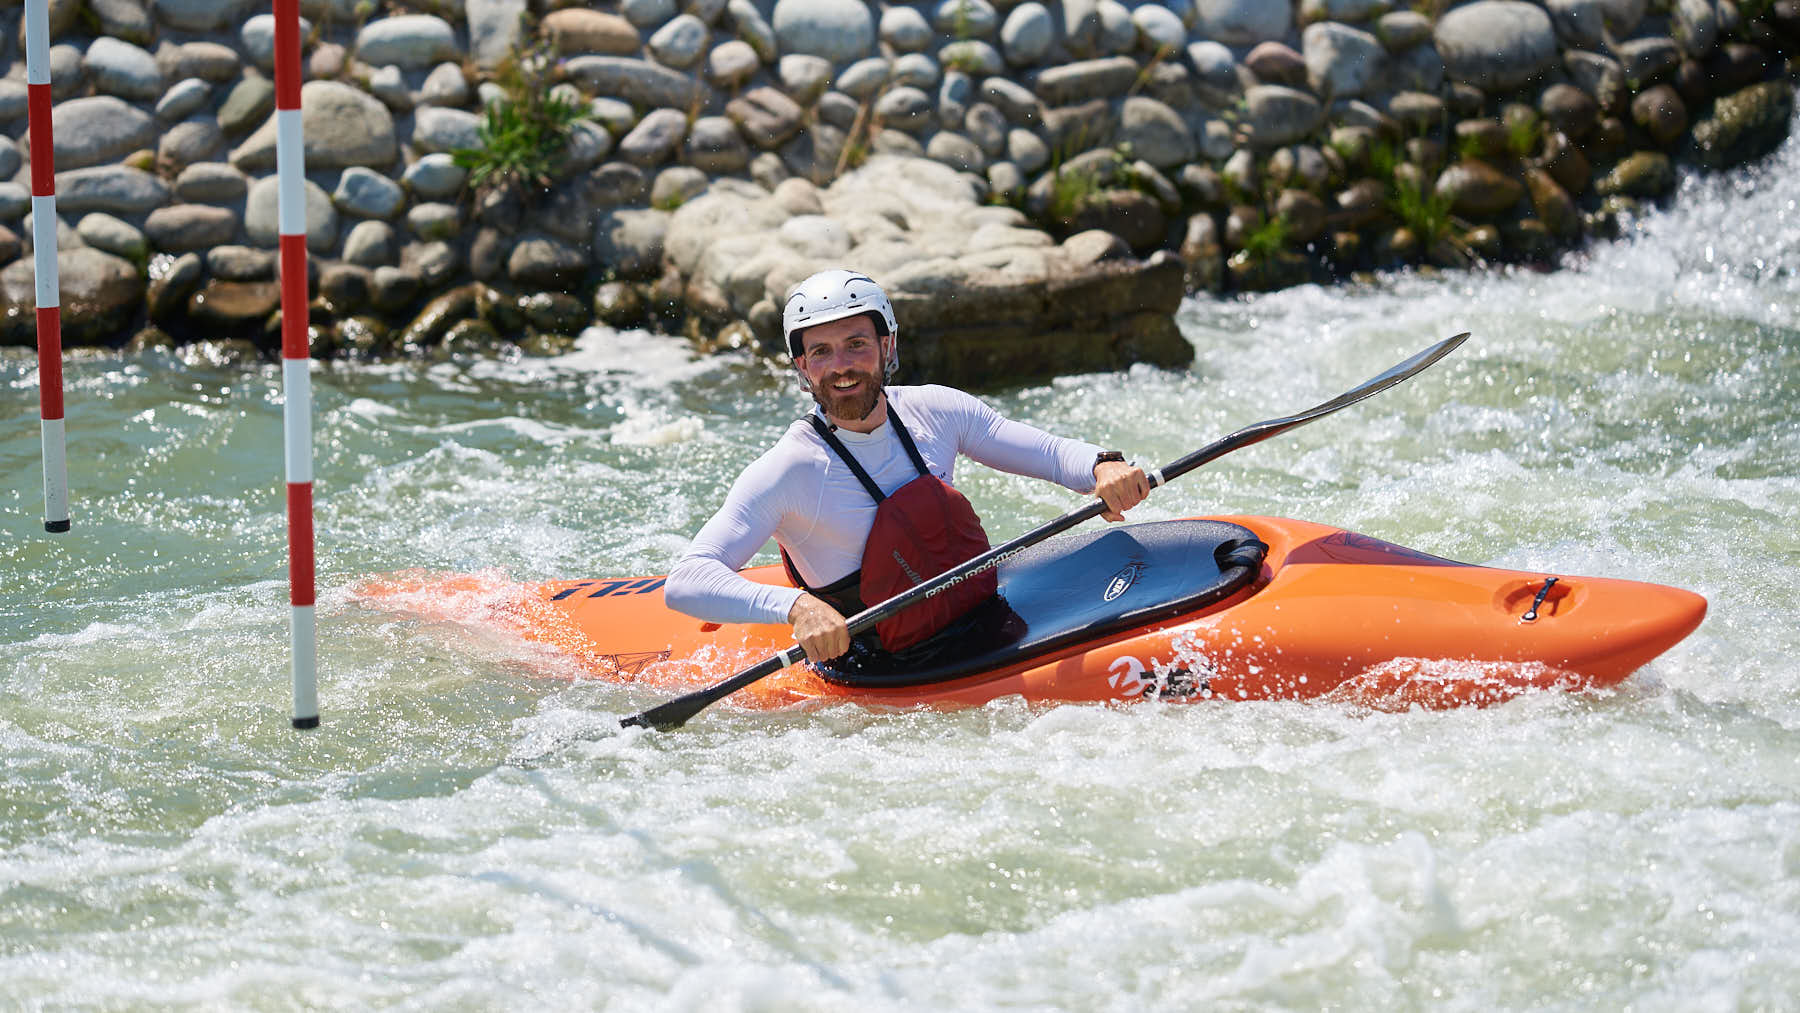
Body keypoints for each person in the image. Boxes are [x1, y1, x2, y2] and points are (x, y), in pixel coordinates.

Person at [664, 268, 1150, 663]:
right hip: (886, 667)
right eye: (820, 352)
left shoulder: (937, 411)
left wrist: (1101, 466)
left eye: (856, 344)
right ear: (802, 368)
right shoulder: (789, 470)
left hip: (981, 621)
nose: (841, 366)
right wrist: (795, 607)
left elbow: (1048, 453)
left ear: (887, 347)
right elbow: (689, 579)